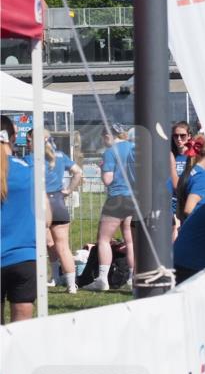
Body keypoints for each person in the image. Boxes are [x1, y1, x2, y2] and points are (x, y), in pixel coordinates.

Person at [1, 120, 49, 322]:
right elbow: (46, 218)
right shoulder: (30, 170)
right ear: (13, 139)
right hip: (25, 258)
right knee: (23, 336)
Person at [28, 128, 83, 293]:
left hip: (42, 204)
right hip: (59, 203)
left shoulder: (32, 159)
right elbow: (78, 172)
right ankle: (70, 285)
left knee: (39, 245)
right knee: (62, 246)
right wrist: (68, 190)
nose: (27, 143)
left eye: (29, 140)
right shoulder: (60, 155)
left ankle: (40, 280)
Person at [83, 124, 135, 291]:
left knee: (104, 239)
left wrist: (101, 170)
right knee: (130, 240)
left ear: (108, 136)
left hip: (116, 198)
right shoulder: (134, 148)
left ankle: (102, 279)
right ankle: (133, 278)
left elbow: (107, 180)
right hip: (134, 198)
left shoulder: (111, 152)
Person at [176, 134, 205, 220]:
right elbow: (189, 209)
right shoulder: (203, 177)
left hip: (184, 229)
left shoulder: (187, 172)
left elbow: (179, 213)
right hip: (197, 231)